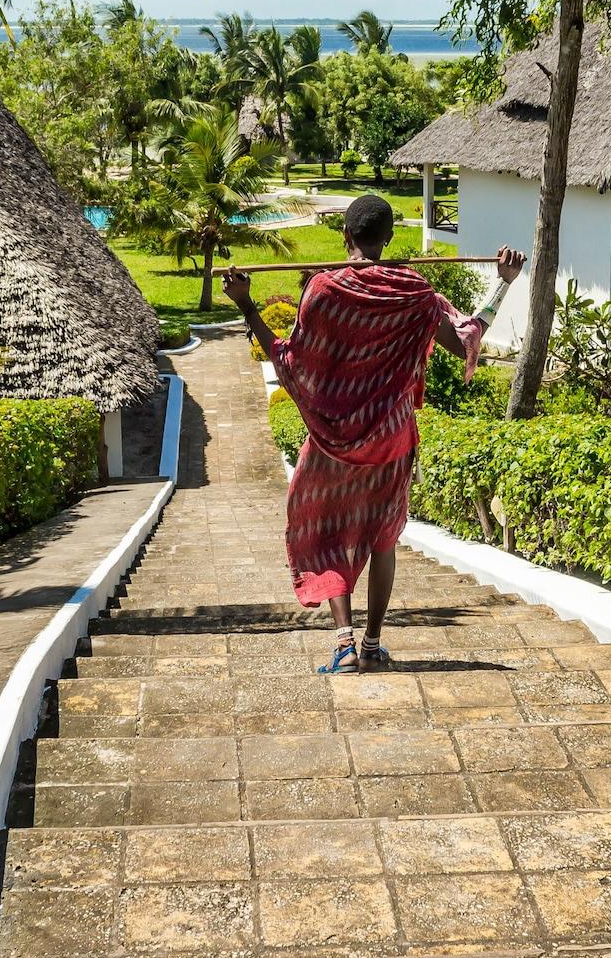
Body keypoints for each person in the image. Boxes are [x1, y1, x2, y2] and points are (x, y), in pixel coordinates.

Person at [224, 194, 524, 674]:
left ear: (345, 236)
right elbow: (467, 337)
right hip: (390, 441)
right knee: (383, 541)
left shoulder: (322, 291)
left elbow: (289, 361)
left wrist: (245, 304)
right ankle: (371, 644)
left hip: (331, 442)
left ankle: (343, 643)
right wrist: (503, 284)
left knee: (327, 532)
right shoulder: (416, 295)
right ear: (388, 239)